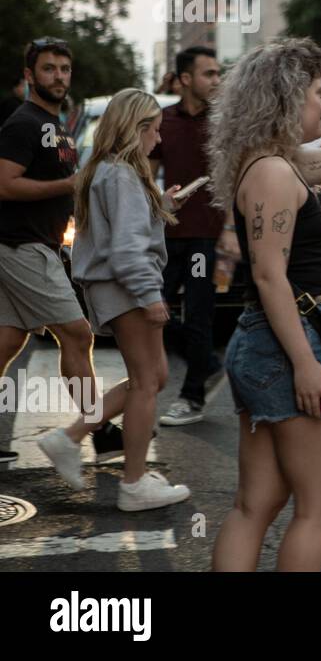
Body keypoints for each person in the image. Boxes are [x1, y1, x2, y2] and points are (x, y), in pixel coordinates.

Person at [209, 38, 321, 572]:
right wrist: (305, 363)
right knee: (320, 507)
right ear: (286, 98)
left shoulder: (277, 162)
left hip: (262, 344)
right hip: (292, 343)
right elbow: (269, 275)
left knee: (256, 505)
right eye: (316, 96)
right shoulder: (276, 173)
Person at [36, 90, 192, 508]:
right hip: (124, 286)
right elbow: (125, 248)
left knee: (154, 376)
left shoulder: (105, 169)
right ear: (136, 128)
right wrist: (148, 294)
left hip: (114, 285)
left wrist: (161, 205)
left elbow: (117, 227)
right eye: (154, 131)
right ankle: (133, 483)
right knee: (146, 383)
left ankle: (69, 438)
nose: (157, 141)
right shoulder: (121, 173)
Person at [0, 38, 117, 468]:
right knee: (77, 333)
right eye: (48, 69)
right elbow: (4, 184)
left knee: (6, 342)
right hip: (22, 246)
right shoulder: (24, 124)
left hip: (33, 244)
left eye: (64, 69)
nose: (59, 77)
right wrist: (67, 186)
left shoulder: (59, 123)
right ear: (30, 75)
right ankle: (99, 430)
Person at [152, 46, 231, 426]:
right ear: (186, 79)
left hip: (207, 238)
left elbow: (237, 177)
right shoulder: (162, 121)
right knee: (156, 314)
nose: (216, 81)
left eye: (218, 74)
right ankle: (210, 364)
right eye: (209, 74)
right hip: (167, 235)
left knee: (199, 317)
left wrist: (231, 228)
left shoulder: (224, 123)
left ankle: (192, 397)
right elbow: (145, 175)